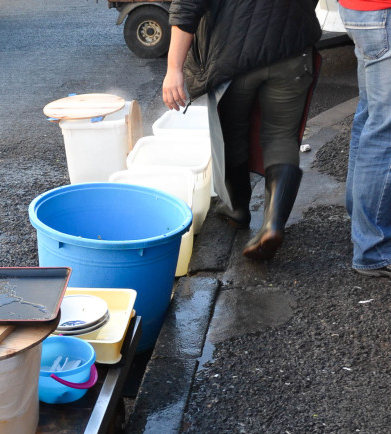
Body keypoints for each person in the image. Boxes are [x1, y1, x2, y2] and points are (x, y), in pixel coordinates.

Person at [162, 0, 321, 261]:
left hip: (234, 57)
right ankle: (273, 223)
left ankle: (237, 210)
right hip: (293, 49)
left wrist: (173, 69)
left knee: (231, 133)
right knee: (281, 136)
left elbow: (187, 7)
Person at [338, 0, 391, 277]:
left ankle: (362, 220)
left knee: (370, 116)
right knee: (384, 132)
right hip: (383, 12)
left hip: (360, 10)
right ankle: (374, 249)